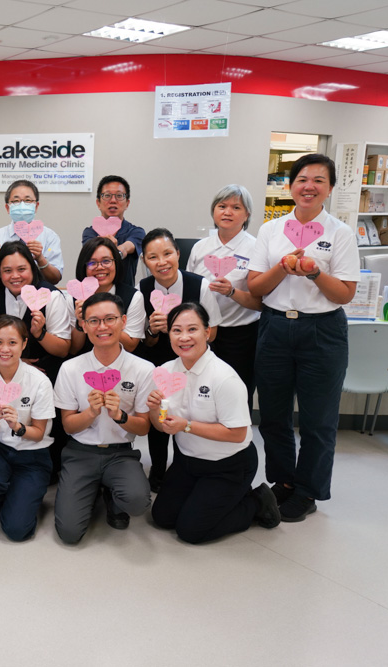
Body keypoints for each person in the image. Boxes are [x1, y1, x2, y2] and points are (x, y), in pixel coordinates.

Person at [247, 153, 360, 522]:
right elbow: (256, 287)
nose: (309, 186)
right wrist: (284, 267)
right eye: (302, 179)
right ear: (290, 185)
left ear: (330, 188)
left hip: (322, 330)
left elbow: (345, 294)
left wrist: (313, 273)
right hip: (275, 326)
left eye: (319, 180)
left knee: (318, 420)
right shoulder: (270, 230)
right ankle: (283, 481)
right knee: (273, 415)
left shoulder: (340, 233)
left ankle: (308, 490)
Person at [147, 303, 281, 543]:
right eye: (177, 330)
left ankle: (257, 502)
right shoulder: (166, 372)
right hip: (188, 461)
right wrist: (155, 409)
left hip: (228, 465)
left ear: (207, 332)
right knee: (162, 518)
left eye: (192, 329)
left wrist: (186, 426)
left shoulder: (224, 377)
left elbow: (237, 434)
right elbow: (160, 426)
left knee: (191, 531)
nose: (184, 337)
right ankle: (209, 498)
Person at [53, 293, 155, 544]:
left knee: (137, 502)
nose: (102, 327)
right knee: (69, 533)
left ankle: (113, 494)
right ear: (84, 325)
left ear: (123, 321)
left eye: (110, 319)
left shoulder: (143, 369)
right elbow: (68, 426)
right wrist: (90, 412)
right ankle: (92, 490)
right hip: (80, 452)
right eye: (94, 321)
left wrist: (120, 416)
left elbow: (143, 427)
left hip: (120, 453)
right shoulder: (70, 368)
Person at [137, 228, 222, 492]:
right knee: (159, 414)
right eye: (153, 257)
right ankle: (158, 471)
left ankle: (188, 467)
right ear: (144, 261)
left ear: (177, 254)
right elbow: (144, 342)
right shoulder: (142, 290)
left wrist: (181, 331)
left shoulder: (199, 285)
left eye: (167, 254)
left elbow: (213, 331)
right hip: (157, 362)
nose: (161, 262)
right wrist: (153, 331)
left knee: (188, 413)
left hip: (192, 363)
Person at [0, 315, 55, 541]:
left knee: (17, 530)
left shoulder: (39, 381)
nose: (5, 349)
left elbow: (38, 434)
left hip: (32, 453)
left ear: (24, 344)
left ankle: (22, 493)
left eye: (12, 342)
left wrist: (17, 426)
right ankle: (1, 494)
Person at [187, 185, 262, 408]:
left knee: (238, 393)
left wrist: (231, 292)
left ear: (247, 214)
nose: (227, 212)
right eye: (222, 206)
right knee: (201, 392)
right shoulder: (200, 248)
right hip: (204, 333)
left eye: (236, 207)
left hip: (241, 335)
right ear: (214, 211)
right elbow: (191, 292)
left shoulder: (256, 248)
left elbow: (261, 303)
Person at [0, 241, 72, 376]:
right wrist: (17, 362)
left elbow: (63, 350)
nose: (15, 276)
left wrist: (40, 333)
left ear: (32, 269)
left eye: (21, 269)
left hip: (45, 374)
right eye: (7, 271)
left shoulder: (51, 296)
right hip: (5, 371)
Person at [68, 236, 145, 357]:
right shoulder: (74, 297)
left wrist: (102, 319)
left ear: (116, 263)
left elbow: (131, 345)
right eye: (92, 263)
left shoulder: (133, 297)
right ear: (84, 266)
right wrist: (80, 322)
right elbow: (73, 349)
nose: (100, 267)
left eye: (106, 261)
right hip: (85, 362)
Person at [0, 179, 63, 285]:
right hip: (2, 292)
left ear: (36, 206)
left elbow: (55, 278)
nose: (22, 205)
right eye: (16, 201)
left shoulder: (50, 237)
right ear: (7, 207)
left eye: (28, 200)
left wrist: (40, 258)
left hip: (38, 293)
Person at [81, 175, 146, 288]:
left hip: (125, 295)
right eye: (107, 196)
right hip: (96, 293)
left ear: (127, 203)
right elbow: (90, 254)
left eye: (119, 196)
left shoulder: (136, 232)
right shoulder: (89, 233)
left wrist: (118, 251)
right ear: (98, 203)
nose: (113, 200)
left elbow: (127, 247)